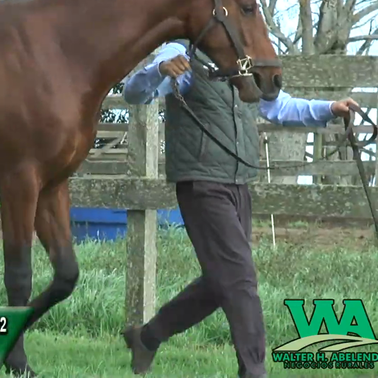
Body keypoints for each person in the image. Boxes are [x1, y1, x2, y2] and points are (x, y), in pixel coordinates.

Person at [119, 41, 358, 378]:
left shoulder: (244, 60)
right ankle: (254, 371)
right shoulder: (182, 53)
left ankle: (147, 337)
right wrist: (158, 69)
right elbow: (134, 93)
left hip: (238, 184)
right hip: (201, 182)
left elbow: (278, 107)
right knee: (240, 279)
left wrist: (329, 108)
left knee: (223, 281)